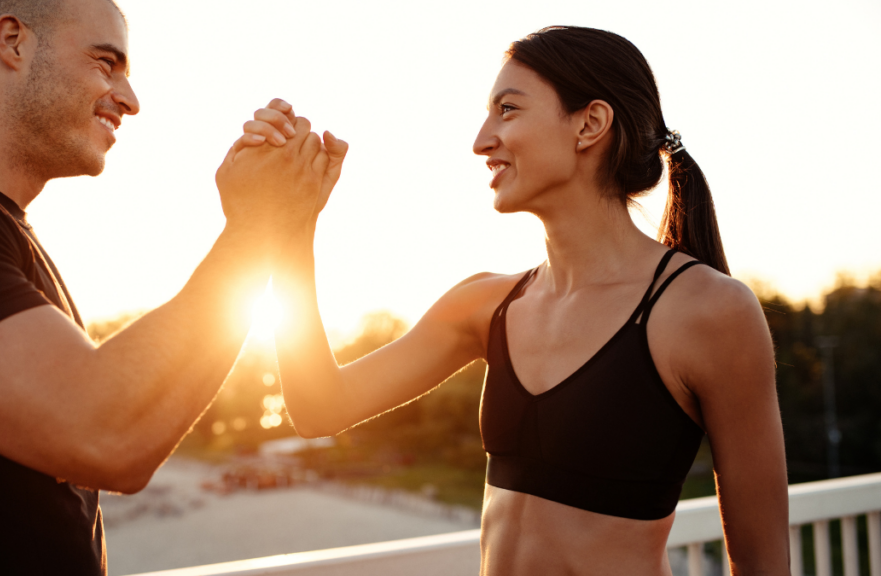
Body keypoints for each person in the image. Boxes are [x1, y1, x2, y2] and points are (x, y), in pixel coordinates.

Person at [237, 26, 789, 575]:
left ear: (590, 124)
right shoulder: (484, 305)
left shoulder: (709, 311)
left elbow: (764, 563)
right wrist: (292, 223)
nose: (481, 140)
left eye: (508, 109)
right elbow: (317, 407)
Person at [0, 0, 346, 573]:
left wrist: (277, 225)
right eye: (105, 63)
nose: (131, 100)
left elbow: (119, 429)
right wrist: (257, 225)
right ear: (13, 41)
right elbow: (109, 437)